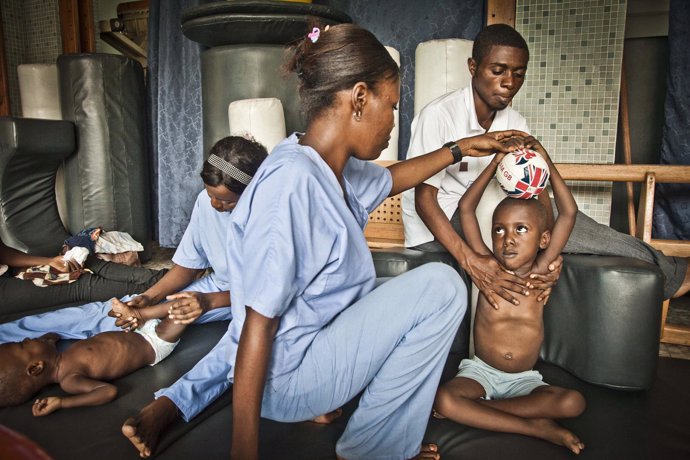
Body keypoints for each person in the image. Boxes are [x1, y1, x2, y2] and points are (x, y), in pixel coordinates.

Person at [121, 24, 527, 460]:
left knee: (412, 290)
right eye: (390, 106)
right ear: (358, 98)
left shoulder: (324, 160)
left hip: (314, 347)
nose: (393, 122)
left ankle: (376, 440)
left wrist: (462, 148)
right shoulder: (292, 185)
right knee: (443, 288)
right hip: (290, 377)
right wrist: (244, 452)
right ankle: (376, 449)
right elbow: (257, 324)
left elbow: (391, 179)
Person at [402, 23, 690, 304]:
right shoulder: (439, 115)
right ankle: (677, 272)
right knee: (545, 218)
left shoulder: (515, 122)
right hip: (440, 225)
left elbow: (537, 194)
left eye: (519, 74)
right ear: (473, 67)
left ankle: (671, 271)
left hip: (490, 214)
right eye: (498, 71)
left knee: (553, 214)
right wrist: (472, 261)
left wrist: (551, 253)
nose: (509, 83)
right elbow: (425, 201)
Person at [0, 136, 268, 343]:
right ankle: (8, 335)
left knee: (161, 319)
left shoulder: (272, 220)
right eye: (210, 194)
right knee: (115, 310)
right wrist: (148, 298)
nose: (214, 205)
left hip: (253, 301)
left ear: (253, 191)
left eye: (225, 201)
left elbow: (272, 292)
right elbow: (188, 266)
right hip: (216, 287)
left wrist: (205, 301)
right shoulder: (206, 204)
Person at [434, 139, 586, 454]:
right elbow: (466, 209)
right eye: (499, 230)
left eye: (521, 230)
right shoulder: (488, 267)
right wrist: (493, 164)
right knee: (444, 399)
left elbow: (568, 213)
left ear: (544, 238)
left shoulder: (542, 270)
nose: (508, 240)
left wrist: (544, 160)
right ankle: (536, 428)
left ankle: (481, 412)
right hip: (481, 373)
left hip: (525, 382)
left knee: (574, 403)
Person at [0, 313, 191, 415]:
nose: (27, 338)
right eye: (23, 344)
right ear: (36, 367)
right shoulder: (70, 380)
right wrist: (62, 403)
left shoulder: (56, 355)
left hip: (138, 329)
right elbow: (108, 391)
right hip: (154, 343)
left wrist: (44, 342)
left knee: (164, 302)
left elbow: (52, 336)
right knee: (186, 307)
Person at [0, 237, 166, 322]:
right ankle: (165, 290)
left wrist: (49, 261)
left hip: (7, 270)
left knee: (78, 262)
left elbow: (3, 252)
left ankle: (165, 278)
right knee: (77, 282)